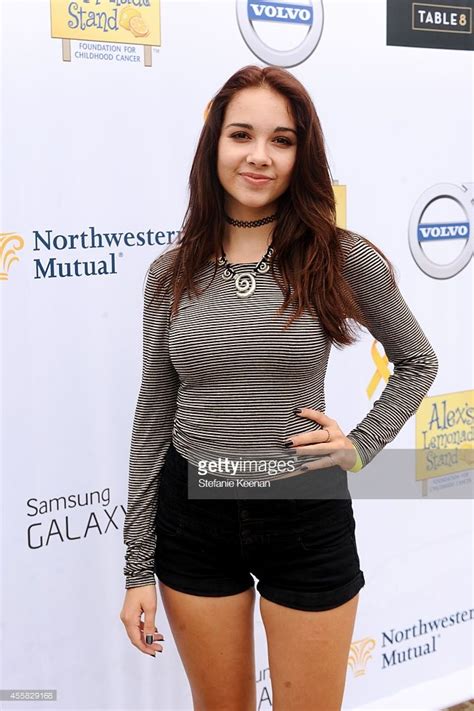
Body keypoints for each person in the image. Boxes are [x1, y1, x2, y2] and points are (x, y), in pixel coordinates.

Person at [120, 65, 438, 710]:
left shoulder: (339, 256)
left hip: (303, 510)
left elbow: (417, 361)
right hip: (194, 514)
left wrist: (363, 445)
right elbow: (155, 410)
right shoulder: (169, 272)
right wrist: (136, 566)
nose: (259, 156)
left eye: (282, 140)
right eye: (241, 135)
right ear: (214, 144)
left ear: (302, 154)